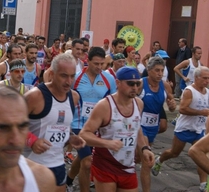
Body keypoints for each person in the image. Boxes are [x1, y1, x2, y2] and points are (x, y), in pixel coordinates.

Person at [79, 67, 155, 192]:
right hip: (105, 165)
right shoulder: (104, 106)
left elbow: (137, 129)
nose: (135, 87)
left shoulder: (139, 103)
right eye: (130, 83)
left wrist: (144, 148)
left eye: (138, 84)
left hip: (127, 166)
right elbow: (84, 134)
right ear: (118, 83)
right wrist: (107, 143)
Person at [24, 53, 86, 192]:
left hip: (57, 163)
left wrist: (70, 136)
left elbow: (60, 125)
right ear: (52, 74)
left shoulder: (74, 97)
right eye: (64, 75)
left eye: (72, 76)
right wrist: (32, 140)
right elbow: (11, 125)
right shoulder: (35, 96)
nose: (68, 81)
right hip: (32, 163)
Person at [66, 47, 117, 192]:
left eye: (102, 64)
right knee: (87, 162)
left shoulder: (109, 79)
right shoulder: (76, 78)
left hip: (99, 126)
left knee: (84, 158)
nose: (99, 67)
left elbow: (113, 101)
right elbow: (66, 99)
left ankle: (68, 180)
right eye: (96, 64)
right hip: (78, 125)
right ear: (87, 61)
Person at [151, 66, 209, 192]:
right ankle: (159, 160)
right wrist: (201, 112)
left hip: (199, 129)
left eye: (208, 78)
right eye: (204, 78)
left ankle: (203, 184)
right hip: (185, 128)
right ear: (196, 77)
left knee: (201, 155)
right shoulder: (189, 91)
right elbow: (182, 109)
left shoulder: (208, 92)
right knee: (174, 153)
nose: (207, 81)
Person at [137, 56, 176, 192]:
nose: (160, 73)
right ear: (149, 70)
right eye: (157, 70)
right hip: (139, 127)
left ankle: (121, 167)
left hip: (153, 127)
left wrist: (172, 106)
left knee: (138, 158)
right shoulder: (141, 84)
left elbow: (172, 106)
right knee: (147, 162)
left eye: (162, 70)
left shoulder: (165, 86)